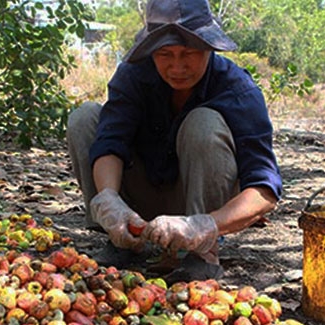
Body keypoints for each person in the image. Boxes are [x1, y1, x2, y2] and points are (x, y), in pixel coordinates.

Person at [66, 0, 282, 284]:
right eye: (165, 54)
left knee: (204, 122)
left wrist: (205, 225)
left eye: (189, 53)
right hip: (140, 198)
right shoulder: (134, 75)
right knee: (84, 118)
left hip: (200, 208)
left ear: (209, 48)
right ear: (151, 51)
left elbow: (264, 191)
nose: (177, 66)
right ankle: (122, 238)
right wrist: (108, 199)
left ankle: (202, 254)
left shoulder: (238, 90)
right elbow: (110, 140)